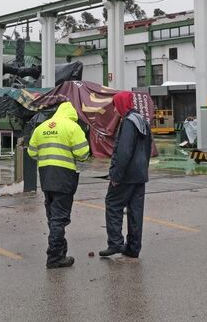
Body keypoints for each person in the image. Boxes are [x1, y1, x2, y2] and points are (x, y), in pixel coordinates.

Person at [27, 101, 90, 269]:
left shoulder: (42, 127)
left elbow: (32, 152)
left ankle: (60, 251)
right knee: (59, 218)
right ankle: (54, 257)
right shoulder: (72, 127)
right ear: (72, 114)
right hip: (64, 178)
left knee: (53, 216)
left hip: (46, 177)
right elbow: (83, 153)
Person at [101, 91, 152, 259]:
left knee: (113, 204)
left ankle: (115, 243)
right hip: (140, 174)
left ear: (122, 104)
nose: (115, 109)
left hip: (127, 175)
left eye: (116, 105)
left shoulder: (129, 122)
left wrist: (116, 175)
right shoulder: (142, 120)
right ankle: (133, 247)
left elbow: (124, 151)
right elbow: (148, 147)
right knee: (135, 210)